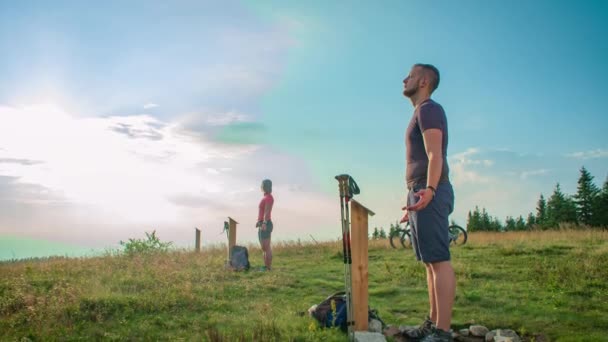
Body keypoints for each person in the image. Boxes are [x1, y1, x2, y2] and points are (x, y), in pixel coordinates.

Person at [400, 63, 456, 342]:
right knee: (429, 262)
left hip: (430, 190)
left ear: (422, 81)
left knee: (439, 260)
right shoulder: (420, 111)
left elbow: (435, 155)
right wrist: (412, 197)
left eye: (409, 75)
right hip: (420, 191)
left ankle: (442, 332)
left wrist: (430, 190)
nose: (404, 79)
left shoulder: (428, 109)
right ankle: (432, 324)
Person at [256, 179, 274, 271]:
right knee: (264, 248)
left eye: (263, 185)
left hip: (266, 224)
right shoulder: (265, 197)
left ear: (266, 186)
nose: (261, 186)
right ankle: (265, 266)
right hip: (262, 223)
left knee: (266, 248)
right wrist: (259, 221)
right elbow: (262, 211)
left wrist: (264, 222)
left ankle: (268, 268)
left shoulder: (269, 197)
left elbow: (267, 211)